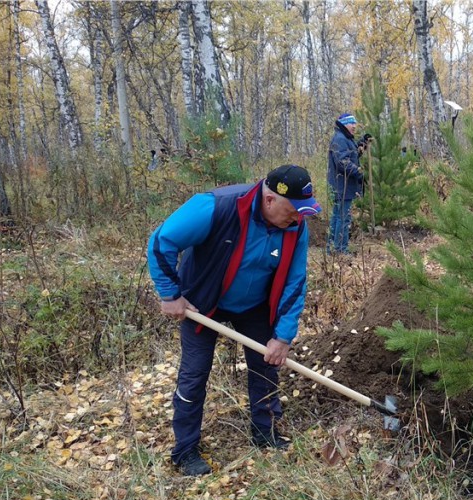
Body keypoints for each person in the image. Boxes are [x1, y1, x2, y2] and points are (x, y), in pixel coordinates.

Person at [147, 165, 321, 476]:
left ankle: (265, 433)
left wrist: (282, 337)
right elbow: (161, 241)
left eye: (303, 212)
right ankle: (185, 450)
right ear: (269, 200)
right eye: (294, 210)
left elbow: (296, 281)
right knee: (195, 373)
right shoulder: (217, 207)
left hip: (253, 304)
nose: (299, 218)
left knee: (266, 366)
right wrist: (170, 293)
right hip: (203, 302)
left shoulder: (296, 226)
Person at [327, 112, 365, 254]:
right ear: (344, 124)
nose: (354, 126)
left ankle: (332, 249)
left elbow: (350, 155)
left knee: (338, 216)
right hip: (342, 186)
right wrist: (359, 171)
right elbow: (342, 162)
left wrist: (361, 144)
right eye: (351, 123)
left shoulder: (344, 138)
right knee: (343, 218)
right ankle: (340, 250)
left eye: (355, 123)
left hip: (342, 185)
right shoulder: (340, 139)